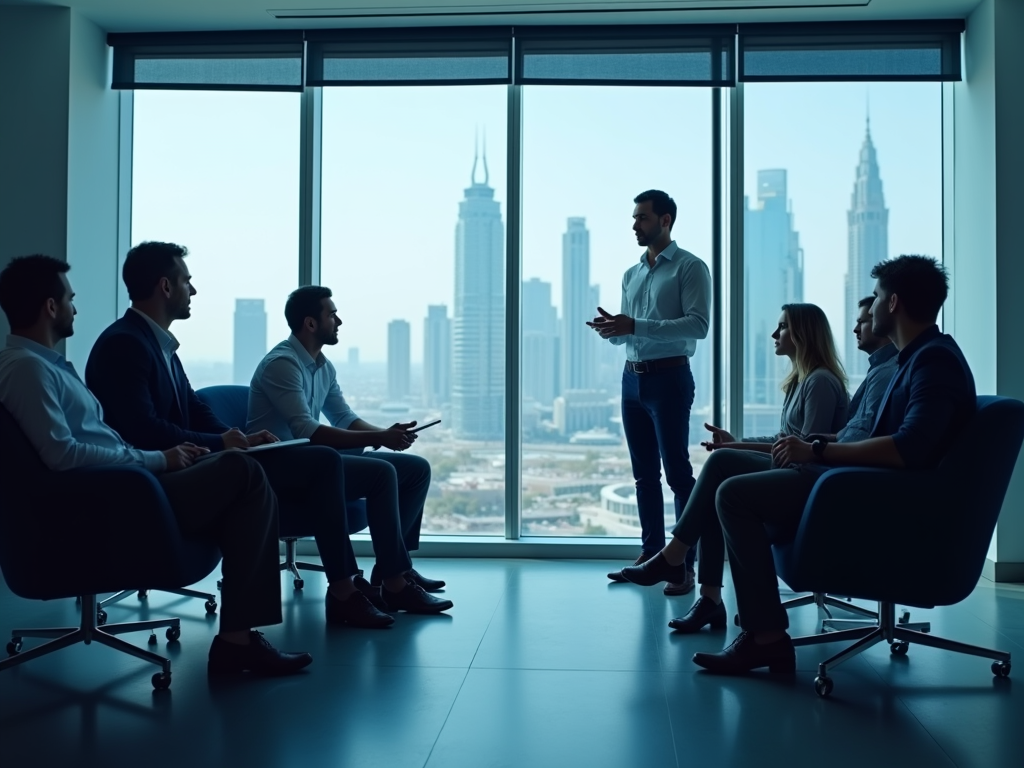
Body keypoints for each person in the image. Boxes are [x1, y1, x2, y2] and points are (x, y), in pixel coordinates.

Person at [652, 255, 973, 674]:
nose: (868, 309)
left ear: (893, 303)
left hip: (868, 494)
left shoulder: (932, 362)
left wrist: (815, 451)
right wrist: (814, 444)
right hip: (853, 481)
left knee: (732, 493)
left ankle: (763, 635)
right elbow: (864, 433)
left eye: (875, 297)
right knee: (728, 476)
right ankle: (742, 617)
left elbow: (908, 448)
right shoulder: (909, 361)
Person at [0, 255, 312, 677]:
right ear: (50, 308)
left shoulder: (45, 367)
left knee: (241, 472)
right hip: (110, 497)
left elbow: (116, 432)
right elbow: (64, 454)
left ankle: (237, 638)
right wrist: (158, 460)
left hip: (124, 483)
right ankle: (237, 642)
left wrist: (216, 444)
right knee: (243, 473)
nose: (77, 308)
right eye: (71, 299)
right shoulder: (27, 371)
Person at [84, 242, 393, 629]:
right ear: (166, 287)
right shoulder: (125, 344)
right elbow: (142, 429)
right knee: (316, 461)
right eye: (187, 281)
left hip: (184, 464)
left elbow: (193, 407)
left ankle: (334, 595)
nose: (192, 291)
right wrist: (221, 444)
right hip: (153, 478)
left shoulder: (158, 346)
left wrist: (233, 436)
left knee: (317, 463)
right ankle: (337, 595)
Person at [621, 303, 849, 635]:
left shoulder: (821, 382)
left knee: (720, 465)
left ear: (803, 333)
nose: (775, 334)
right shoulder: (801, 381)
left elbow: (803, 453)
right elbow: (784, 440)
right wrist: (736, 444)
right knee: (720, 479)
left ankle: (675, 555)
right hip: (794, 474)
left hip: (809, 483)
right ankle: (709, 598)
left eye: (782, 327)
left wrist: (732, 453)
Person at [247, 286, 452, 615]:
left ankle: (393, 569)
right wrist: (379, 438)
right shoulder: (282, 364)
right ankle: (395, 586)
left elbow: (344, 418)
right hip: (278, 465)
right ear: (311, 324)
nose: (339, 321)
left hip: (314, 460)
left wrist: (386, 435)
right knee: (382, 472)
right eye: (332, 314)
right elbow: (307, 430)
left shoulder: (322, 367)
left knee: (415, 470)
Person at [588, 190, 711, 595]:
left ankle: (683, 567)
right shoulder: (632, 274)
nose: (635, 225)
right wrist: (612, 330)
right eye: (635, 218)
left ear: (666, 220)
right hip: (631, 379)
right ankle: (650, 554)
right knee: (643, 475)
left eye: (642, 218)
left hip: (669, 380)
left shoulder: (691, 268)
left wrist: (634, 326)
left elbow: (697, 325)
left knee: (677, 473)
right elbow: (629, 333)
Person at [830, 296, 897, 443]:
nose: (855, 329)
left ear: (881, 322)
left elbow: (864, 433)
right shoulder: (879, 367)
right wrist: (832, 438)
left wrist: (818, 451)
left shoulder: (886, 371)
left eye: (862, 322)